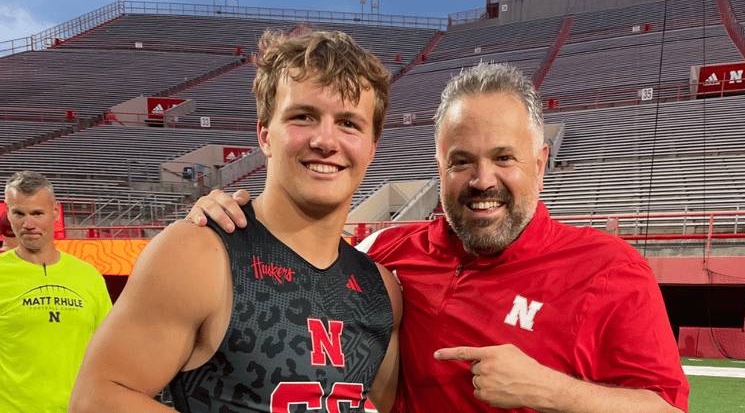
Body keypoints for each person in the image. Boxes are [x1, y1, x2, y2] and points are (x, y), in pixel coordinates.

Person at [189, 62, 690, 412]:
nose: (482, 180)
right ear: (440, 169)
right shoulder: (388, 253)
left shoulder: (609, 269)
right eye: (462, 162)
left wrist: (553, 391)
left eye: (504, 158)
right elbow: (301, 256)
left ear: (539, 164)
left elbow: (666, 409)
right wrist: (234, 216)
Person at [69, 29, 401, 413]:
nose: (325, 140)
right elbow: (96, 397)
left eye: (348, 123)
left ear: (372, 147)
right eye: (303, 116)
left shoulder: (383, 291)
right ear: (264, 135)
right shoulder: (197, 251)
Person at [0, 170, 112, 412]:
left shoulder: (89, 276)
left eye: (37, 213)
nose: (28, 224)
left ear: (55, 212)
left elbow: (109, 353)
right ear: (8, 214)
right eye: (19, 214)